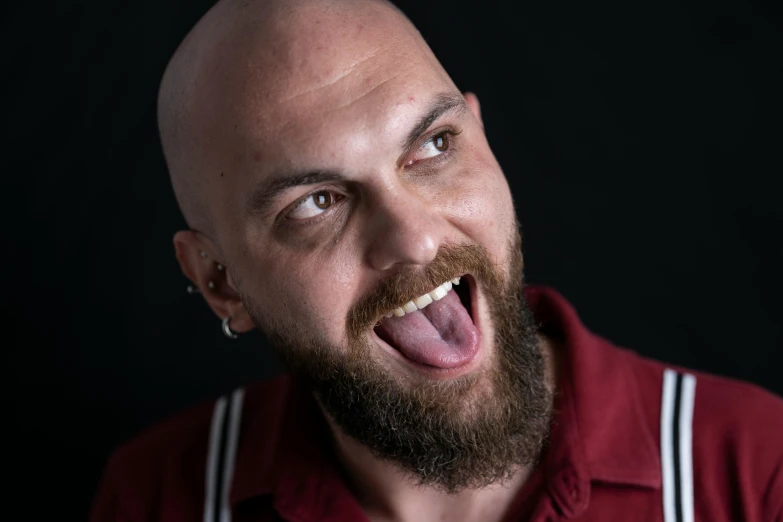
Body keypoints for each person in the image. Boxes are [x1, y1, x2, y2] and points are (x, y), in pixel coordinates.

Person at [90, 0, 783, 520]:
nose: (415, 240)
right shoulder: (157, 498)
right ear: (219, 282)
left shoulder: (754, 473)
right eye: (316, 202)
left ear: (482, 138)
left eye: (433, 147)